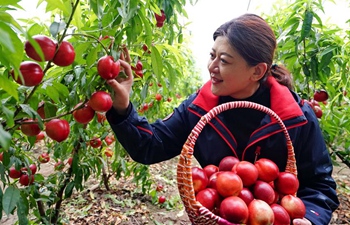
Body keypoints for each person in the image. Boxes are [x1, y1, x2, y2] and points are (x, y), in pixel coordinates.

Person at [106, 13, 339, 225]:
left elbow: (320, 185)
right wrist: (122, 107)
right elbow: (150, 146)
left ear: (257, 71)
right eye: (212, 56)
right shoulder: (198, 108)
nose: (212, 67)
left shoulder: (296, 117)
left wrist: (310, 218)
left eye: (224, 61)